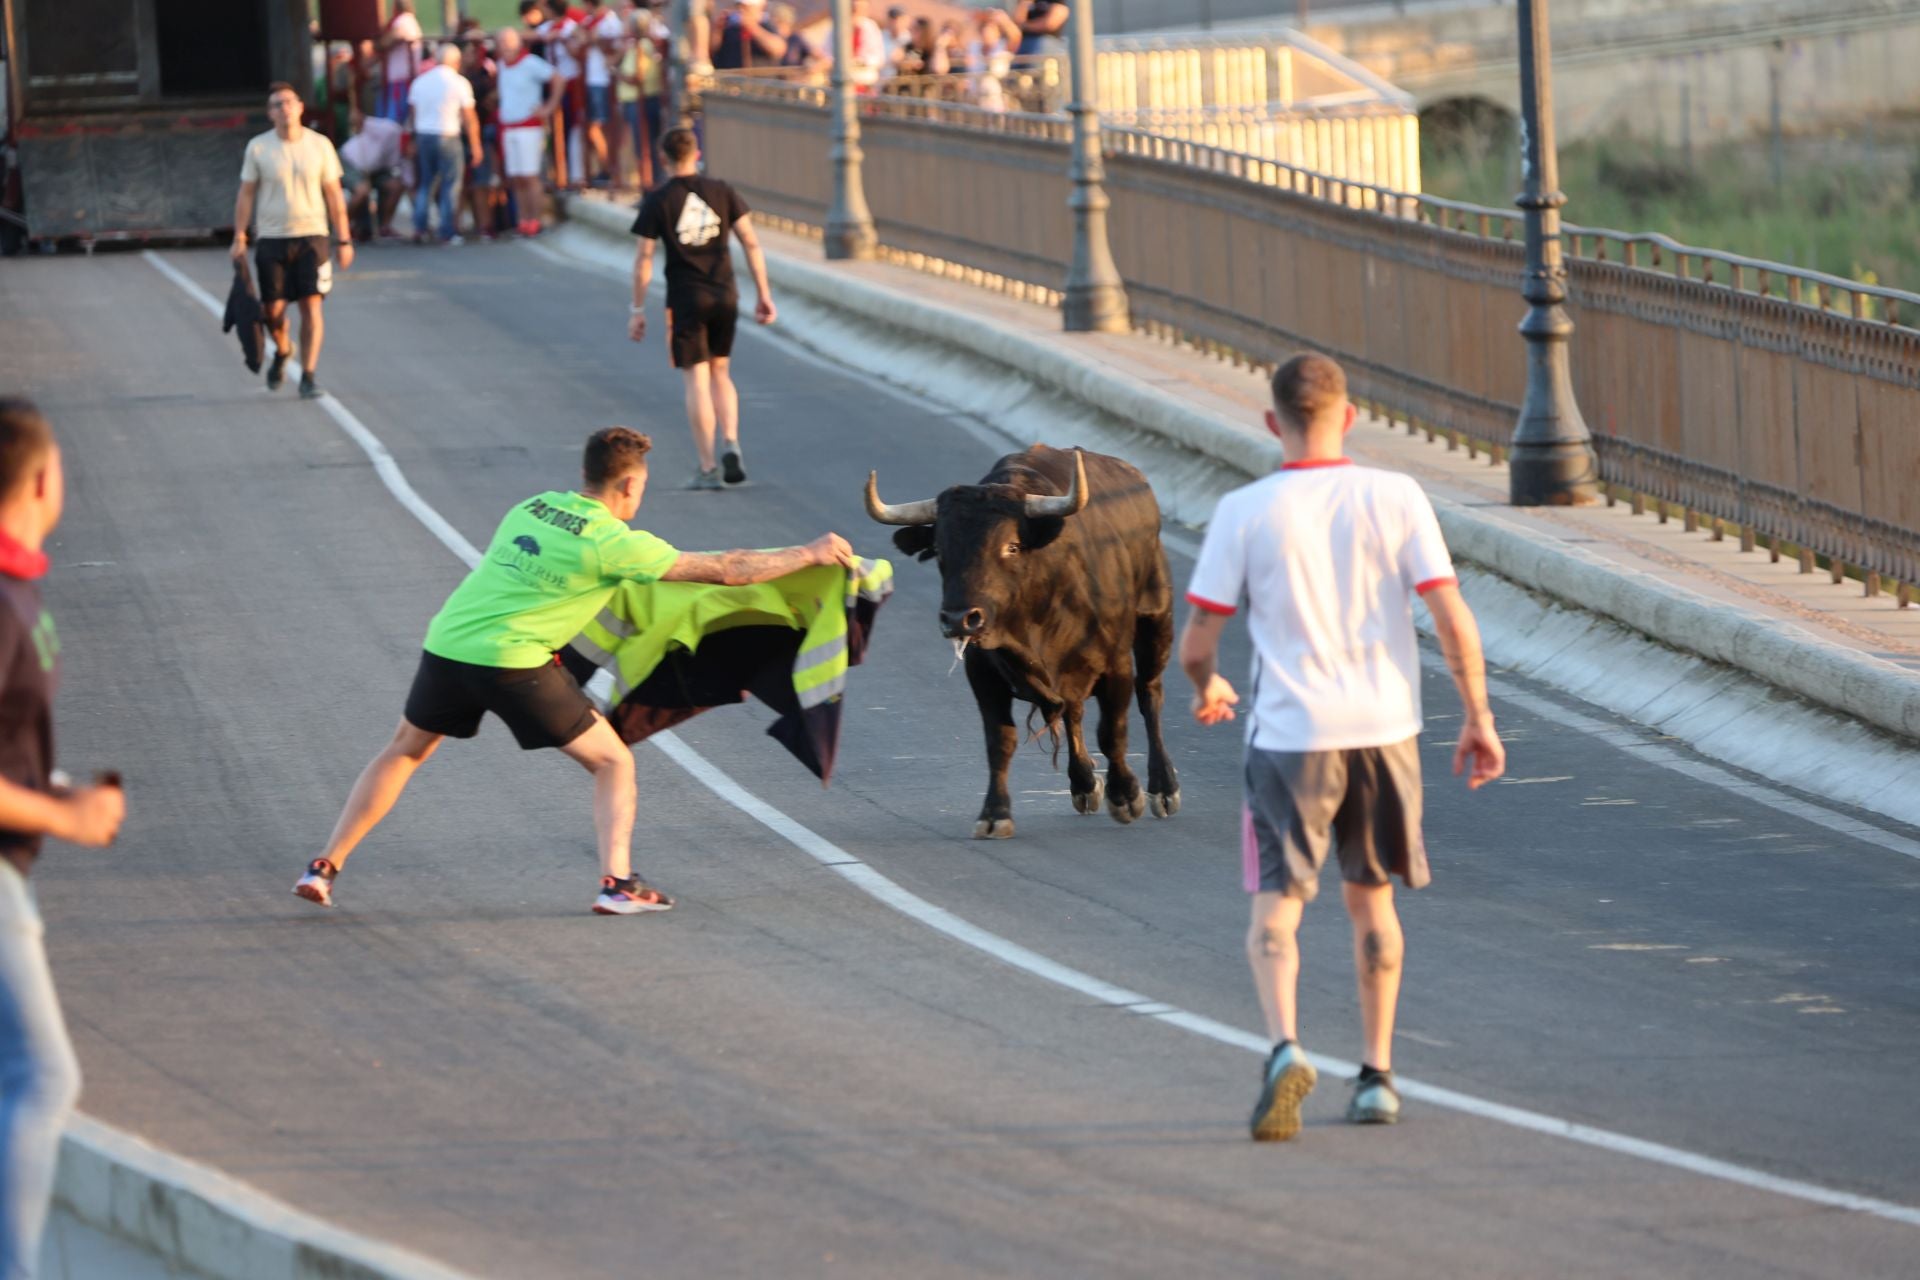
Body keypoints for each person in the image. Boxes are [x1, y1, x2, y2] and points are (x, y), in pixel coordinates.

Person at [292, 427, 856, 916]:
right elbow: (728, 571)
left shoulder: (531, 507)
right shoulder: (613, 542)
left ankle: (324, 867)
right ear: (630, 485)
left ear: (585, 473)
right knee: (614, 762)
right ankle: (617, 885)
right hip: (514, 664)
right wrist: (808, 554)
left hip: (448, 644)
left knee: (406, 750)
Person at [1180, 354, 1505, 1142]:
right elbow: (1453, 618)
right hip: (1385, 730)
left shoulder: (1245, 510)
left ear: (1271, 424)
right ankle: (1378, 1075)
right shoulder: (1397, 497)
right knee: (1373, 900)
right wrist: (1478, 716)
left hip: (1290, 737)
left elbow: (1197, 640)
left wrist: (1208, 687)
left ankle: (1286, 1046)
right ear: (1349, 417)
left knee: (1277, 908)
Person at [0, 401, 126, 1278]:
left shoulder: (18, 587)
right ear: (44, 481)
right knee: (42, 1081)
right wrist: (67, 817)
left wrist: (52, 790)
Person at [628, 127, 774, 491]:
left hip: (686, 297)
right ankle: (731, 440)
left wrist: (637, 307)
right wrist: (763, 293)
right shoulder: (722, 191)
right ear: (696, 153)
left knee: (696, 378)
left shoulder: (658, 200)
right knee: (721, 372)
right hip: (726, 293)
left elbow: (644, 257)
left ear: (663, 159)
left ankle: (708, 466)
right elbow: (751, 244)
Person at [230, 83, 354, 400]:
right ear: (270, 113)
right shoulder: (259, 147)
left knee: (312, 305)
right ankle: (284, 350)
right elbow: (246, 194)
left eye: (289, 102)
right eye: (277, 104)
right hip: (273, 237)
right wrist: (239, 235)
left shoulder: (319, 145)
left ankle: (309, 375)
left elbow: (334, 195)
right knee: (273, 311)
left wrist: (344, 239)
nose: (284, 108)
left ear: (300, 107)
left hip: (313, 236)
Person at [407, 45, 481, 245]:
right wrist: (475, 145)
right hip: (448, 134)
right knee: (451, 184)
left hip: (424, 135)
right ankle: (446, 231)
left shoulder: (420, 82)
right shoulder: (459, 83)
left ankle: (420, 228)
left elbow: (413, 115)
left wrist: (413, 138)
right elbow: (469, 117)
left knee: (425, 183)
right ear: (456, 62)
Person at [495, 27, 564, 237]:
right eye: (502, 43)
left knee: (530, 176)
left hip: (528, 125)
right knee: (516, 178)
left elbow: (558, 79)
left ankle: (535, 218)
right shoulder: (502, 66)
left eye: (508, 43)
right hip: (509, 125)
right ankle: (523, 219)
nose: (505, 47)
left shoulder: (530, 63)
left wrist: (549, 107)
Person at [461, 32, 505, 239]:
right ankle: (473, 225)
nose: (472, 56)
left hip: (481, 132)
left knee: (482, 182)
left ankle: (485, 225)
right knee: (470, 183)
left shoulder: (483, 74)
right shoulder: (461, 79)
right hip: (466, 134)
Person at [576, 0, 623, 186]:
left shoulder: (610, 22)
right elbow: (578, 35)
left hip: (603, 80)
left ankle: (608, 168)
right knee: (594, 129)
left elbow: (617, 48)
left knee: (599, 128)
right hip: (592, 79)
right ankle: (605, 168)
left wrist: (595, 41)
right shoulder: (590, 21)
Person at [338, 112, 406, 241]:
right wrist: (356, 122)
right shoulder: (392, 130)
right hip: (351, 161)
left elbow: (410, 184)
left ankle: (384, 227)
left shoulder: (408, 158)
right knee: (362, 191)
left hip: (374, 171)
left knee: (396, 186)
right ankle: (342, 226)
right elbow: (359, 119)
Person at [378, 0, 425, 122]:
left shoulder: (404, 20)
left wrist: (379, 37)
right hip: (400, 79)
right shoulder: (409, 20)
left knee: (392, 122)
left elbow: (384, 43)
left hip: (400, 81)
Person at [713, 0, 786, 70]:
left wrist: (752, 27)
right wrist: (717, 30)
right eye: (740, 6)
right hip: (731, 79)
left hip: (761, 80)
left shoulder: (767, 25)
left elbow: (778, 49)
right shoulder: (730, 27)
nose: (742, 10)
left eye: (747, 7)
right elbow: (713, 49)